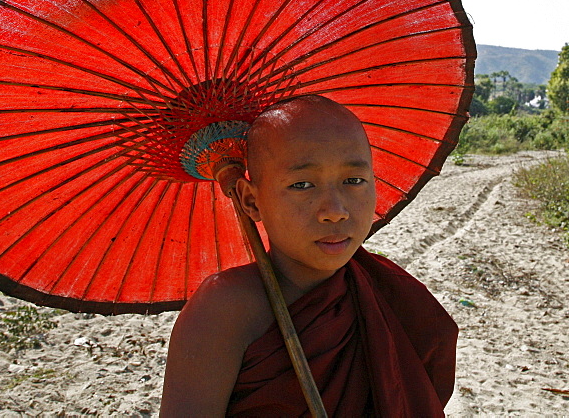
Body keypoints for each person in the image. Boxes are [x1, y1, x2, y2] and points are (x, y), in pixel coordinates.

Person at [160, 95, 458, 417]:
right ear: (251, 201)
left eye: (354, 180)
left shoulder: (392, 293)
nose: (335, 211)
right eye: (302, 184)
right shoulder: (225, 309)